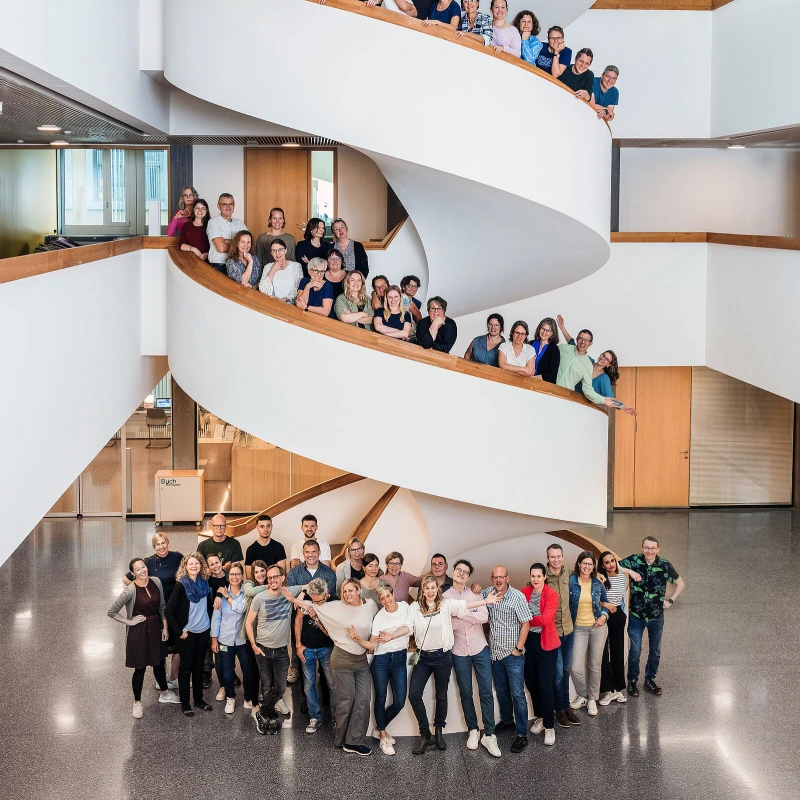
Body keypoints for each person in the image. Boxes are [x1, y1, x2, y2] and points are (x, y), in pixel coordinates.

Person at [409, 575, 501, 754]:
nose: (429, 591)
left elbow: (465, 605)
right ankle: (425, 734)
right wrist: (392, 636)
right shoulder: (414, 607)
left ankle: (438, 731)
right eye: (426, 588)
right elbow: (407, 626)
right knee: (414, 694)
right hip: (423, 657)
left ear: (437, 589)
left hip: (442, 656)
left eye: (432, 588)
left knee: (441, 695)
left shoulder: (446, 604)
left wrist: (485, 601)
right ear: (422, 590)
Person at [285, 578, 378, 756]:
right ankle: (342, 739)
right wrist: (293, 600)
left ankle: (354, 739)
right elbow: (310, 604)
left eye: (351, 590)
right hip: (342, 658)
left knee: (363, 700)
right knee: (346, 699)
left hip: (361, 660)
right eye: (344, 591)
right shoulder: (335, 606)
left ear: (359, 590)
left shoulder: (371, 605)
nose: (347, 594)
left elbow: (382, 619)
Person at [444, 559, 501, 757]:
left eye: (465, 571)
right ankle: (473, 730)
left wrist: (460, 614)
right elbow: (449, 625)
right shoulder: (444, 598)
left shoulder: (476, 593)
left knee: (486, 691)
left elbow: (484, 618)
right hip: (459, 652)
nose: (461, 573)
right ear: (453, 572)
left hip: (480, 649)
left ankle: (490, 734)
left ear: (469, 577)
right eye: (458, 570)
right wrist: (469, 614)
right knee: (466, 692)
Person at [348, 582, 413, 755]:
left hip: (399, 658)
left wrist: (392, 637)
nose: (386, 600)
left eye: (388, 596)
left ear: (393, 593)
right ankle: (383, 737)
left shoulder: (405, 607)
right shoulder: (379, 617)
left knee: (400, 701)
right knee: (381, 698)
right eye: (382, 598)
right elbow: (372, 643)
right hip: (382, 660)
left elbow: (409, 628)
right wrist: (358, 640)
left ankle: (379, 727)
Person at [108, 558, 178, 717]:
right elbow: (112, 611)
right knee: (140, 668)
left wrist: (165, 627)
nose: (142, 571)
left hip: (155, 628)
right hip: (139, 631)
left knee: (159, 663)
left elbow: (162, 606)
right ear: (132, 573)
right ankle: (137, 702)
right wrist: (129, 621)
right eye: (138, 569)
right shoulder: (130, 590)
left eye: (143, 567)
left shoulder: (156, 582)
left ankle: (165, 693)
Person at [619, 537, 685, 697]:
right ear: (642, 548)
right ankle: (632, 681)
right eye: (646, 548)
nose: (649, 551)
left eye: (653, 548)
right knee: (635, 650)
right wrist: (630, 571)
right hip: (637, 615)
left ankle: (650, 679)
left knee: (655, 650)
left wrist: (670, 600)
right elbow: (614, 566)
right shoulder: (634, 560)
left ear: (658, 549)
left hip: (656, 616)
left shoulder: (664, 565)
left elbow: (680, 583)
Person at [245, 565, 306, 735]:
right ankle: (270, 716)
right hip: (262, 649)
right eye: (269, 578)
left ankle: (261, 712)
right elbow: (249, 622)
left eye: (275, 577)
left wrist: (297, 597)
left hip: (281, 651)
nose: (272, 580)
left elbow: (310, 585)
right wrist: (253, 645)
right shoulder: (259, 597)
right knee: (266, 686)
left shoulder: (289, 591)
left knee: (280, 687)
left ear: (282, 577)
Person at [122, 533, 183, 687]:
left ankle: (173, 678)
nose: (161, 547)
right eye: (157, 544)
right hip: (158, 609)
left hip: (175, 606)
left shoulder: (177, 557)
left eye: (163, 543)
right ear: (153, 547)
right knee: (160, 645)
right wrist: (141, 594)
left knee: (178, 643)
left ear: (168, 542)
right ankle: (160, 679)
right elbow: (126, 578)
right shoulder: (148, 562)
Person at [482, 566, 531, 753]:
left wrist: (518, 649)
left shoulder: (517, 597)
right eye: (495, 577)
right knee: (502, 690)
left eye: (501, 577)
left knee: (517, 694)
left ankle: (521, 734)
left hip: (512, 655)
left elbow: (526, 623)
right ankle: (508, 721)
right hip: (494, 654)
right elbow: (476, 592)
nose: (498, 580)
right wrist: (477, 586)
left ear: (507, 578)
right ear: (492, 578)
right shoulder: (488, 592)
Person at [555, 315, 637, 414]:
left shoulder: (602, 377)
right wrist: (562, 327)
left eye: (606, 359)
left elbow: (608, 396)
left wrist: (622, 406)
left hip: (578, 404)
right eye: (603, 355)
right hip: (562, 394)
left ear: (609, 364)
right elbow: (574, 344)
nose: (603, 358)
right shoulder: (588, 360)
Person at [165, 553, 213, 716]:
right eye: (191, 564)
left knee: (199, 668)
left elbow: (210, 605)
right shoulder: (181, 585)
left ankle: (198, 699)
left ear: (201, 566)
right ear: (185, 566)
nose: (194, 566)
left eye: (197, 563)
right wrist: (179, 632)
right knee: (186, 669)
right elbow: (169, 611)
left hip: (203, 631)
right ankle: (185, 703)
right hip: (188, 634)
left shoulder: (205, 583)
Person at [521, 563, 560, 745]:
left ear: (544, 577)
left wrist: (526, 619)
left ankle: (550, 726)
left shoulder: (551, 594)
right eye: (533, 576)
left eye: (539, 576)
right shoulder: (524, 592)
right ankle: (541, 717)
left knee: (545, 685)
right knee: (531, 681)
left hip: (546, 644)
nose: (535, 579)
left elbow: (545, 620)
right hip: (529, 643)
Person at [568, 552, 610, 719]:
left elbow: (605, 602)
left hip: (598, 627)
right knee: (575, 667)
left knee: (595, 665)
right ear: (578, 564)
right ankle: (584, 695)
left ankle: (593, 699)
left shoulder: (597, 582)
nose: (587, 567)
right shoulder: (571, 581)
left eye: (590, 564)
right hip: (578, 628)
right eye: (584, 563)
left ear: (594, 566)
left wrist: (604, 615)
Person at [294, 577, 336, 734]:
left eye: (319, 601)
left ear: (326, 592)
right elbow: (298, 620)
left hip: (327, 647)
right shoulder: (305, 598)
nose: (316, 603)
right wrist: (298, 644)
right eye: (313, 601)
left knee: (332, 683)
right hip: (307, 648)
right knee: (309, 683)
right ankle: (315, 717)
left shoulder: (335, 600)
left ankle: (336, 717)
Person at [545, 543, 579, 728]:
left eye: (559, 556)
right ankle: (559, 710)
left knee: (566, 670)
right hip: (553, 634)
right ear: (547, 558)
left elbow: (586, 578)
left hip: (569, 630)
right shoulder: (542, 577)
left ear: (563, 557)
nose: (556, 560)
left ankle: (566, 707)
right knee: (557, 674)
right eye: (552, 557)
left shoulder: (570, 575)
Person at [210, 562, 252, 714]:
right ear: (228, 576)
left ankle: (248, 698)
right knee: (227, 670)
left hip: (242, 640)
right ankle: (230, 698)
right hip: (225, 639)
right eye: (232, 574)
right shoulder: (219, 595)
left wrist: (226, 596)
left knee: (247, 670)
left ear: (242, 576)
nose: (235, 577)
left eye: (238, 574)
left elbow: (241, 610)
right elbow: (216, 618)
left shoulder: (246, 594)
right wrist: (214, 639)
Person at [597, 550, 630, 705]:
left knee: (617, 652)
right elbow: (595, 598)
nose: (610, 564)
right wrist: (606, 604)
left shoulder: (623, 578)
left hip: (617, 616)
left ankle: (618, 689)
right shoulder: (600, 579)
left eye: (612, 561)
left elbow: (622, 598)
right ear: (602, 565)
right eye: (606, 562)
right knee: (602, 654)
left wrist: (623, 614)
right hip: (604, 615)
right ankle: (607, 690)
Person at [243, 560, 269, 716]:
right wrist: (268, 586)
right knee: (251, 670)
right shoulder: (249, 584)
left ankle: (269, 699)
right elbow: (251, 593)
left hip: (266, 635)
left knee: (266, 670)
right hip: (251, 635)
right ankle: (253, 702)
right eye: (257, 572)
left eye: (262, 571)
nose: (260, 574)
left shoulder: (272, 584)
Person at [204, 553, 229, 690]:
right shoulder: (207, 580)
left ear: (221, 562)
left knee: (225, 647)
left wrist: (220, 594)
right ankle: (207, 672)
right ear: (208, 567)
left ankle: (228, 672)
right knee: (210, 644)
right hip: (210, 616)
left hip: (227, 618)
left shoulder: (230, 576)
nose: (215, 566)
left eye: (217, 562)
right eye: (211, 564)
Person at [207, 193, 246, 273]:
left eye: (230, 204)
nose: (228, 207)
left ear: (234, 205)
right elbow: (221, 248)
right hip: (219, 265)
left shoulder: (240, 224)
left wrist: (226, 241)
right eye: (224, 204)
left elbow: (248, 245)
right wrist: (238, 244)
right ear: (218, 206)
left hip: (238, 264)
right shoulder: (213, 222)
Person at [258, 238, 303, 303]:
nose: (277, 253)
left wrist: (284, 299)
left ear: (286, 250)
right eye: (274, 250)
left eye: (280, 250)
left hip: (289, 305)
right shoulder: (268, 267)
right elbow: (262, 289)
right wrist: (273, 269)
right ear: (271, 253)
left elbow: (298, 289)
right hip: (272, 304)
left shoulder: (296, 266)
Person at [244, 515, 287, 580]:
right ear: (257, 528)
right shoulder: (251, 549)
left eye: (268, 526)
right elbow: (249, 577)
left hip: (275, 585)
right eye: (262, 526)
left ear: (272, 527)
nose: (265, 529)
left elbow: (281, 574)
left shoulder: (279, 547)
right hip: (257, 588)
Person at [531, 317, 561, 383]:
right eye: (543, 329)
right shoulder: (531, 343)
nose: (544, 332)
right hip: (525, 381)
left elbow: (552, 376)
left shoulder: (554, 350)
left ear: (552, 333)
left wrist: (533, 378)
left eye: (548, 331)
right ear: (539, 329)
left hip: (542, 386)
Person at [400, 274, 423, 341]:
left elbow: (418, 316)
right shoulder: (401, 297)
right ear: (403, 287)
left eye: (415, 286)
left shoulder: (417, 303)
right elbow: (418, 315)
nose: (413, 289)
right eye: (409, 286)